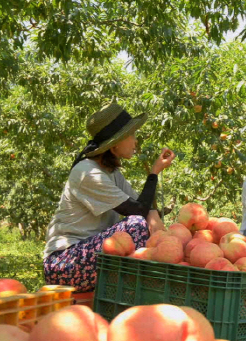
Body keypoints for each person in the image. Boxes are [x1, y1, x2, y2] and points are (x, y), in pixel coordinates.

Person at [43, 101, 175, 293]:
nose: (135, 141)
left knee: (142, 222)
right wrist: (154, 172)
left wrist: (166, 242)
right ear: (114, 146)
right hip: (63, 264)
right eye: (131, 135)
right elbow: (137, 212)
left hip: (90, 255)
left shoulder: (111, 174)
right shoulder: (88, 173)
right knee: (135, 225)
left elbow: (145, 206)